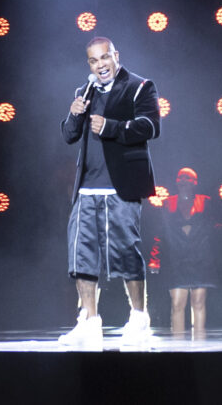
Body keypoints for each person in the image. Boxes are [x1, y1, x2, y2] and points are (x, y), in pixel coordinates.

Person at [57, 35, 163, 349]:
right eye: (93, 60)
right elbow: (68, 136)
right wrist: (75, 113)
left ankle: (139, 318)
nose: (100, 65)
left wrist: (112, 127)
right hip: (87, 187)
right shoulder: (84, 91)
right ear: (88, 64)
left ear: (115, 55)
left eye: (105, 58)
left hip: (122, 185)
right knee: (81, 256)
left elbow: (151, 126)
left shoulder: (140, 86)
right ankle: (89, 321)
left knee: (126, 251)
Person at [154, 168, 222, 338]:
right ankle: (178, 345)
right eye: (180, 177)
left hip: (200, 257)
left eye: (187, 178)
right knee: (177, 303)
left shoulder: (205, 201)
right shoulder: (168, 202)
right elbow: (160, 232)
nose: (183, 180)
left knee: (198, 302)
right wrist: (155, 258)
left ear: (195, 183)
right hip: (177, 258)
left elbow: (213, 226)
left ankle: (199, 343)